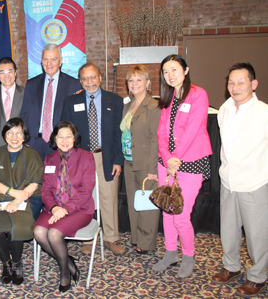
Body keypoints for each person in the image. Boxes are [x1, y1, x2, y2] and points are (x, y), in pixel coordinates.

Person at [152, 54, 212, 278]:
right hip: (167, 162)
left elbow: (194, 129)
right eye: (166, 71)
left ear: (186, 70)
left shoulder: (198, 94)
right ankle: (170, 253)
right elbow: (161, 131)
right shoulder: (168, 97)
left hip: (191, 161)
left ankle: (188, 255)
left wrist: (175, 157)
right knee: (167, 210)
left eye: (174, 70)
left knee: (180, 214)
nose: (170, 75)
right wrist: (167, 157)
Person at [211, 63, 268, 296]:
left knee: (256, 234)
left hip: (254, 183)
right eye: (231, 82)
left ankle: (258, 276)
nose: (235, 87)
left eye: (241, 82)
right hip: (228, 182)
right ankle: (231, 266)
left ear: (253, 84)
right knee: (229, 229)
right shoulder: (224, 109)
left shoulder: (263, 112)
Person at [61, 63, 125, 255]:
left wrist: (117, 160)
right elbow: (65, 132)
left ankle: (111, 238)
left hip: (106, 156)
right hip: (82, 159)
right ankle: (87, 237)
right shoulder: (71, 102)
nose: (90, 82)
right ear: (80, 81)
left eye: (93, 77)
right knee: (85, 198)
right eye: (85, 78)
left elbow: (118, 134)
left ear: (100, 77)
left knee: (109, 198)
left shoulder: (115, 101)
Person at [33, 121, 96, 293]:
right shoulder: (50, 159)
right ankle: (68, 262)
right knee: (38, 232)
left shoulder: (86, 157)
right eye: (60, 136)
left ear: (75, 138)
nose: (65, 140)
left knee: (53, 234)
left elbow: (86, 190)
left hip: (80, 209)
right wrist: (54, 208)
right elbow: (45, 189)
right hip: (54, 208)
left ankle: (64, 273)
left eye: (69, 136)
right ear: (54, 138)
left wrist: (65, 209)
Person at [0, 118, 43, 285]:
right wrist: (12, 193)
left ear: (24, 136)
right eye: (10, 133)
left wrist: (17, 200)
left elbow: (34, 184)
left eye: (18, 133)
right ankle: (6, 263)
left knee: (16, 226)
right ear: (4, 136)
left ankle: (17, 263)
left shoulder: (33, 155)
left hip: (28, 199)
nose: (14, 136)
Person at [121, 65, 161, 254]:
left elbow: (156, 139)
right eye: (131, 80)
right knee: (133, 202)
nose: (134, 83)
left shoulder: (153, 106)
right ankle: (136, 237)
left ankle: (146, 243)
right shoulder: (127, 106)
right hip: (129, 162)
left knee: (147, 204)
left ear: (147, 82)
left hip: (146, 164)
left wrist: (153, 168)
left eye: (139, 79)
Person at [20, 44, 81, 160]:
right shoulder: (31, 84)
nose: (49, 63)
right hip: (34, 143)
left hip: (61, 144)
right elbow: (25, 115)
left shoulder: (73, 84)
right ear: (41, 61)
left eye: (53, 59)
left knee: (59, 178)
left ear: (60, 61)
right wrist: (25, 141)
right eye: (45, 59)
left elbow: (76, 119)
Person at [0, 57, 25, 148]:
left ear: (15, 73)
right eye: (2, 72)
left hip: (19, 144)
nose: (7, 75)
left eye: (10, 71)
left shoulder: (26, 94)